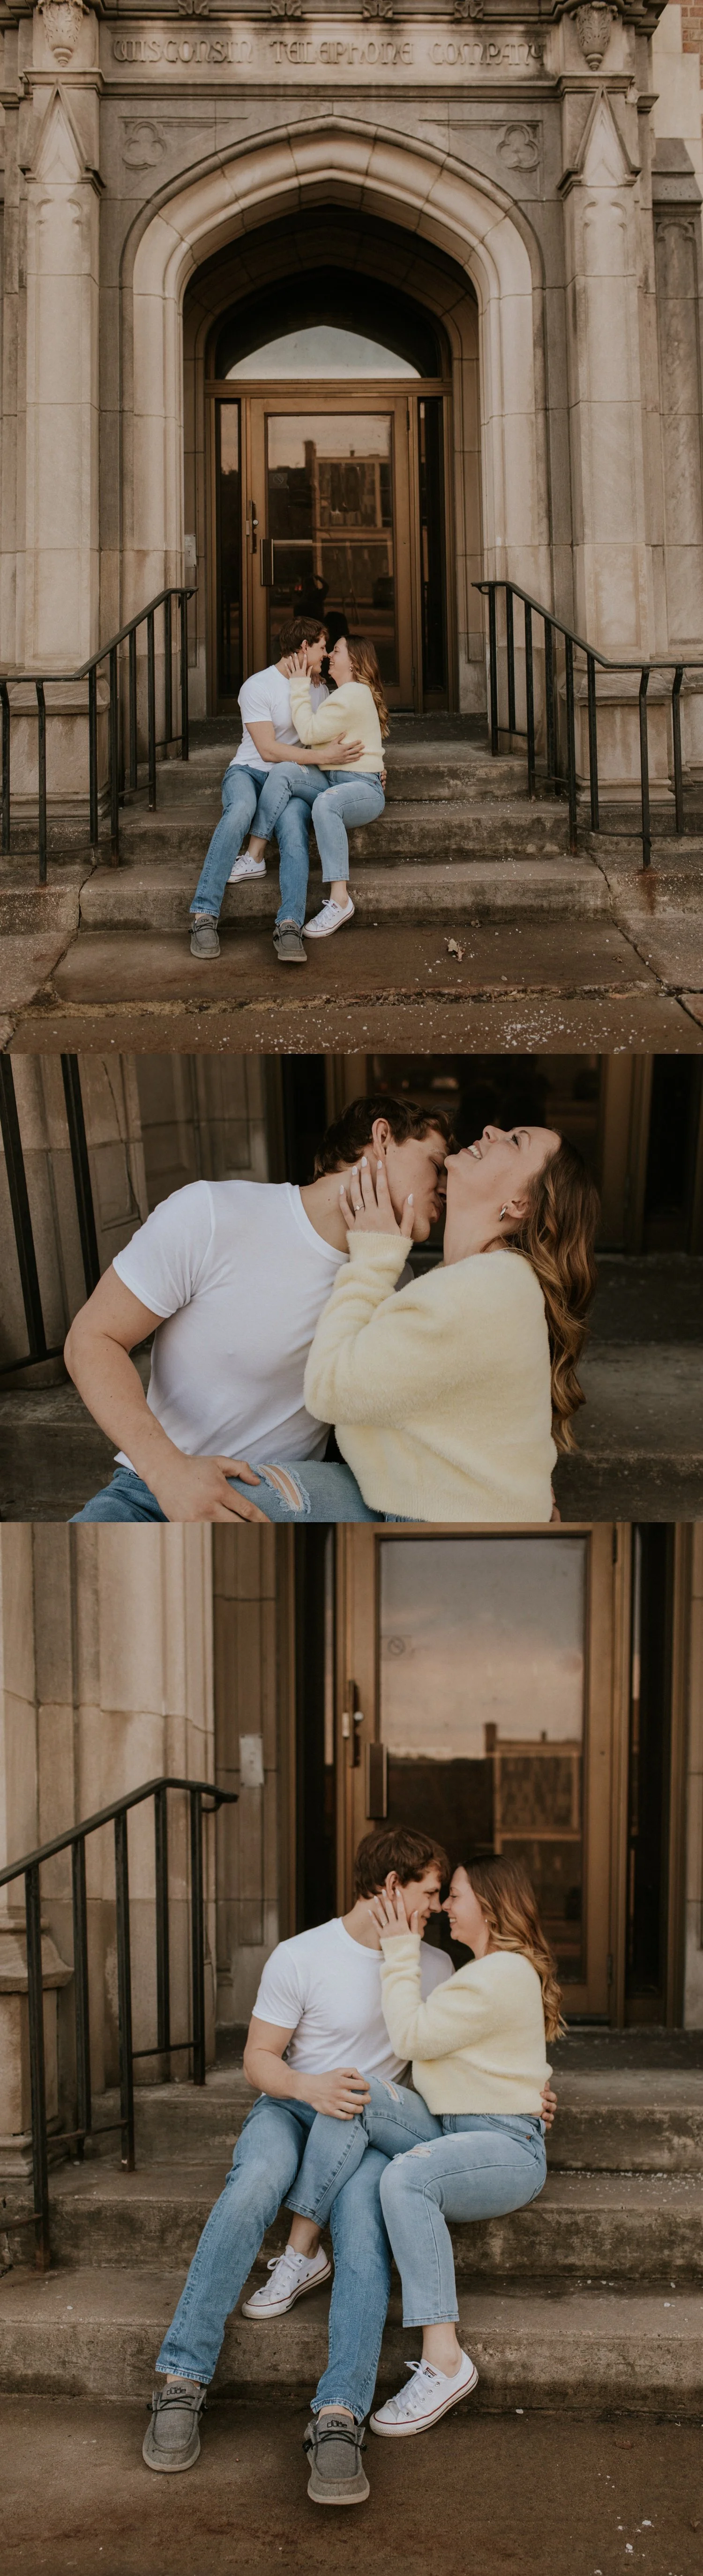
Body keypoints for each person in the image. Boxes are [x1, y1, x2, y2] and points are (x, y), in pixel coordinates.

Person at [140, 1825, 557, 2504]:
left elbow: (466, 2051)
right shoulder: (302, 1955)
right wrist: (310, 2088)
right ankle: (182, 2380)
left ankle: (339, 2415)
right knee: (255, 2185)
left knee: (364, 2218)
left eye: (446, 1895)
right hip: (294, 2107)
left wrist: (526, 2093)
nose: (437, 1907)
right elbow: (257, 2061)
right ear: (392, 1887)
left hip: (368, 2122)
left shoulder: (435, 1966)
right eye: (431, 1891)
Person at [281, 1854, 562, 2444]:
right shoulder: (482, 1972)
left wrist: (400, 1949)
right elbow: (481, 2058)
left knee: (405, 2178)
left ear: (489, 1904)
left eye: (455, 1895)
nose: (444, 1908)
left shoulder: (503, 1971)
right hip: (452, 2127)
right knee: (356, 2088)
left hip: (505, 2144)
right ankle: (302, 2247)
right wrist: (531, 2086)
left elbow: (410, 2036)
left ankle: (445, 2359)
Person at [63, 1097, 451, 1523]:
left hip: (285, 1502)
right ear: (382, 1138)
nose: (446, 1188)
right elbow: (92, 1338)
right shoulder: (213, 1214)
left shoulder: (391, 1277)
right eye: (437, 1165)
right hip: (152, 1493)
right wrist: (166, 1470)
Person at [219, 1122, 600, 1526]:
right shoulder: (482, 1280)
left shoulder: (485, 1288)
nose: (492, 1130)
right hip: (408, 1494)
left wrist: (372, 1258)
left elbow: (328, 1390)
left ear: (520, 1203)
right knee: (227, 1493)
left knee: (223, 1499)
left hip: (444, 1517)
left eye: (516, 1140)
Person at [188, 617, 364, 966]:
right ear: (304, 648)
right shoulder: (258, 685)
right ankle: (204, 916)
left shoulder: (319, 689)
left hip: (292, 779)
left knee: (294, 832)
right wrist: (322, 758)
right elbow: (268, 751)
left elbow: (342, 735)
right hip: (249, 772)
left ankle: (289, 925)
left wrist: (372, 769)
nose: (326, 655)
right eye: (322, 647)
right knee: (240, 811)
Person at [266, 634, 388, 940]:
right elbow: (317, 740)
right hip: (331, 778)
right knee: (285, 770)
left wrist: (299, 684)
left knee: (326, 803)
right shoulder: (342, 694)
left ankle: (340, 900)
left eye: (336, 650)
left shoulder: (354, 693)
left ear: (354, 661)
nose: (330, 655)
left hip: (362, 788)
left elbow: (308, 732)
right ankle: (255, 852)